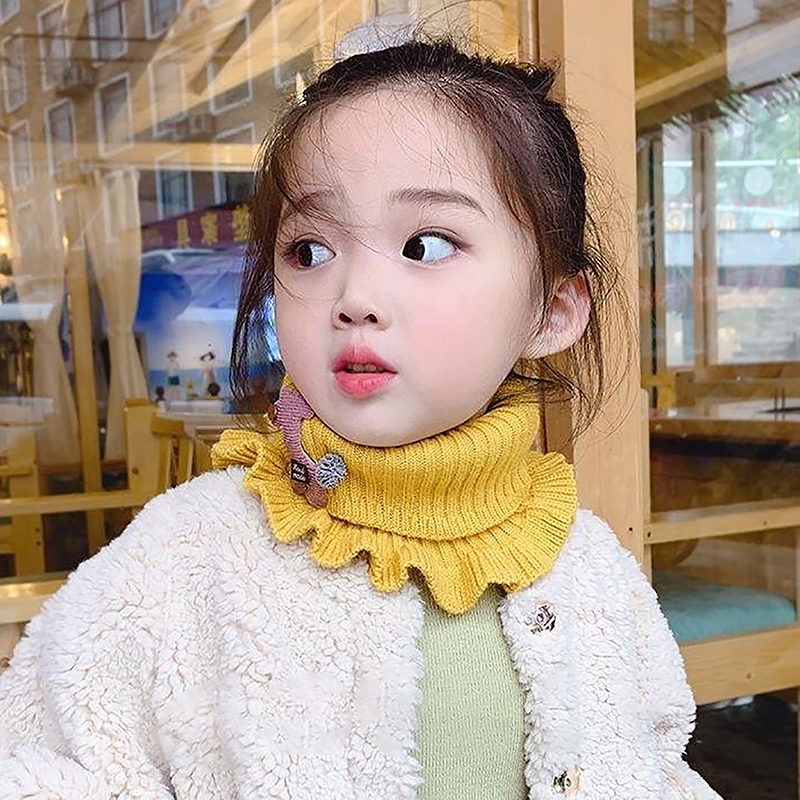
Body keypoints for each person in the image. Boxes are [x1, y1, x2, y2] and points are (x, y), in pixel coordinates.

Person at [0, 33, 722, 799]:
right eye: (309, 251)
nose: (355, 298)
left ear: (553, 310)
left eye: (426, 244)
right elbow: (39, 763)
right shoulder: (185, 553)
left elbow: (653, 768)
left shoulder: (584, 561)